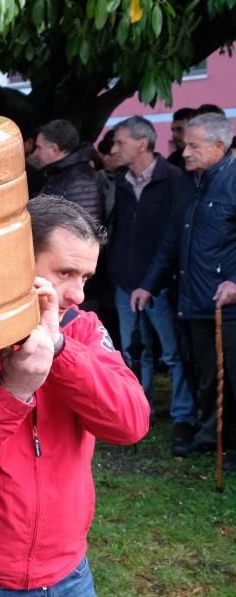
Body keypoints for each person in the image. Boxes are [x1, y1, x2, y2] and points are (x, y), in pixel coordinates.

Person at [0, 195, 148, 597]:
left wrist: (59, 350)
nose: (77, 294)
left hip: (70, 577)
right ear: (17, 260)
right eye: (64, 273)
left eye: (85, 277)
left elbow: (131, 422)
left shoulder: (81, 326)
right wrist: (13, 387)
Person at [132, 113, 236, 470]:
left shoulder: (233, 182)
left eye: (193, 145)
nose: (184, 152)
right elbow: (172, 241)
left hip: (227, 304)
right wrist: (148, 284)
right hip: (193, 298)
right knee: (201, 373)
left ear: (219, 147)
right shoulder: (191, 184)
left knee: (229, 375)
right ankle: (210, 435)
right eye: (184, 144)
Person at [107, 116, 197, 451]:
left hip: (160, 283)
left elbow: (173, 238)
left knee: (173, 354)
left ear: (142, 143)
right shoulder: (120, 182)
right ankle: (138, 412)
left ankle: (183, 417)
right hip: (125, 281)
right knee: (133, 352)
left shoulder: (174, 180)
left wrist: (153, 280)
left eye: (120, 142)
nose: (114, 149)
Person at [29, 119, 107, 223]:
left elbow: (86, 229)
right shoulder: (59, 171)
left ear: (54, 149)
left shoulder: (80, 180)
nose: (35, 153)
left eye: (39, 148)